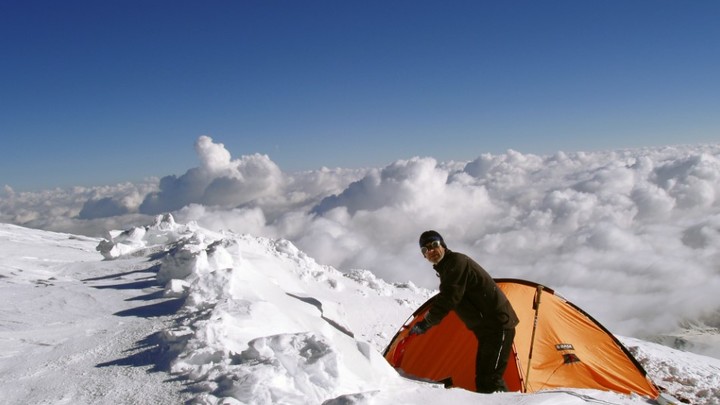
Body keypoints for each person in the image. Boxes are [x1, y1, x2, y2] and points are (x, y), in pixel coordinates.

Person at [410, 230, 519, 393]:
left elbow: (450, 297)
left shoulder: (456, 262)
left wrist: (426, 323)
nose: (431, 251)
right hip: (488, 330)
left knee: (490, 380)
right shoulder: (447, 267)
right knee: (484, 379)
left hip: (498, 325)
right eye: (425, 250)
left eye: (434, 245)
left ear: (443, 245)